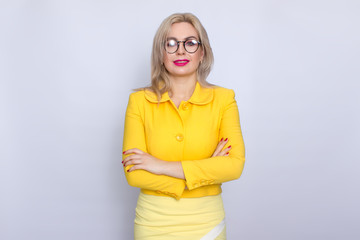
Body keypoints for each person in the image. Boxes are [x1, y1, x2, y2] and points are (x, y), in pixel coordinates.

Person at [122, 12, 245, 240]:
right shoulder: (139, 102)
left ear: (202, 52)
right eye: (170, 43)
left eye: (190, 43)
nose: (180, 50)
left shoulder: (224, 99)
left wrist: (159, 165)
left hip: (206, 221)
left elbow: (234, 166)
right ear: (161, 53)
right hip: (153, 222)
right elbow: (134, 175)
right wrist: (206, 170)